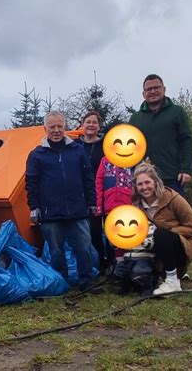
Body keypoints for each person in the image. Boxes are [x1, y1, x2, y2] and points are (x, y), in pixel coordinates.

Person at [25, 111, 97, 291]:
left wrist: (91, 201)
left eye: (60, 126)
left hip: (77, 211)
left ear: (65, 127)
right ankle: (61, 282)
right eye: (52, 127)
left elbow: (88, 177)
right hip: (51, 213)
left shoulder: (77, 150)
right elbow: (31, 183)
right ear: (45, 129)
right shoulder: (36, 155)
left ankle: (86, 282)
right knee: (56, 252)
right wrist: (34, 207)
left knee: (84, 247)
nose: (56, 130)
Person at [132, 161, 192, 295]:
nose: (144, 187)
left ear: (156, 182)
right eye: (140, 184)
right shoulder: (137, 206)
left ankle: (172, 281)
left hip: (179, 246)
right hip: (151, 249)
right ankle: (160, 275)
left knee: (161, 235)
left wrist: (169, 232)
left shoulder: (173, 198)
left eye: (147, 182)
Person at [129, 74, 192, 195]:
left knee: (174, 213)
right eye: (149, 89)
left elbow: (186, 141)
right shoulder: (135, 118)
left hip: (172, 178)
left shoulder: (177, 112)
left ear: (164, 89)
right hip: (144, 180)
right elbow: (130, 148)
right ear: (143, 94)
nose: (153, 91)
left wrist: (186, 170)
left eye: (156, 87)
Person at [76, 111, 110, 273]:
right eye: (88, 122)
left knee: (110, 227)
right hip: (85, 194)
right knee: (93, 229)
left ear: (99, 126)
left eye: (94, 123)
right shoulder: (75, 145)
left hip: (106, 191)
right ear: (82, 125)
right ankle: (99, 261)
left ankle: (112, 262)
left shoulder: (106, 145)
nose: (90, 125)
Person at [95, 155, 134, 272]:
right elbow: (99, 182)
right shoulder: (105, 160)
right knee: (114, 240)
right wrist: (98, 206)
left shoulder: (135, 160)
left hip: (128, 206)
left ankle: (133, 268)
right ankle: (119, 268)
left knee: (129, 237)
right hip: (109, 207)